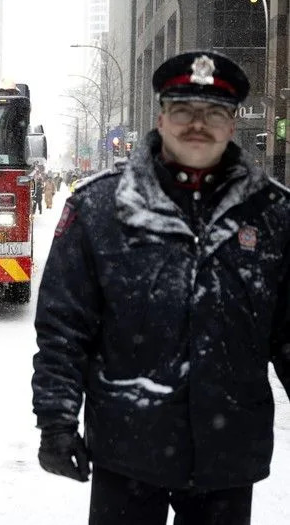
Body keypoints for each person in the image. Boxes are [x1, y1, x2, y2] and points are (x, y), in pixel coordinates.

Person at [32, 50, 290, 525]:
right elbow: (64, 329)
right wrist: (56, 421)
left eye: (214, 113)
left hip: (228, 453)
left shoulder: (273, 214)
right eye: (184, 111)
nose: (199, 124)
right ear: (162, 119)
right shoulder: (100, 208)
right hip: (126, 446)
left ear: (232, 125)